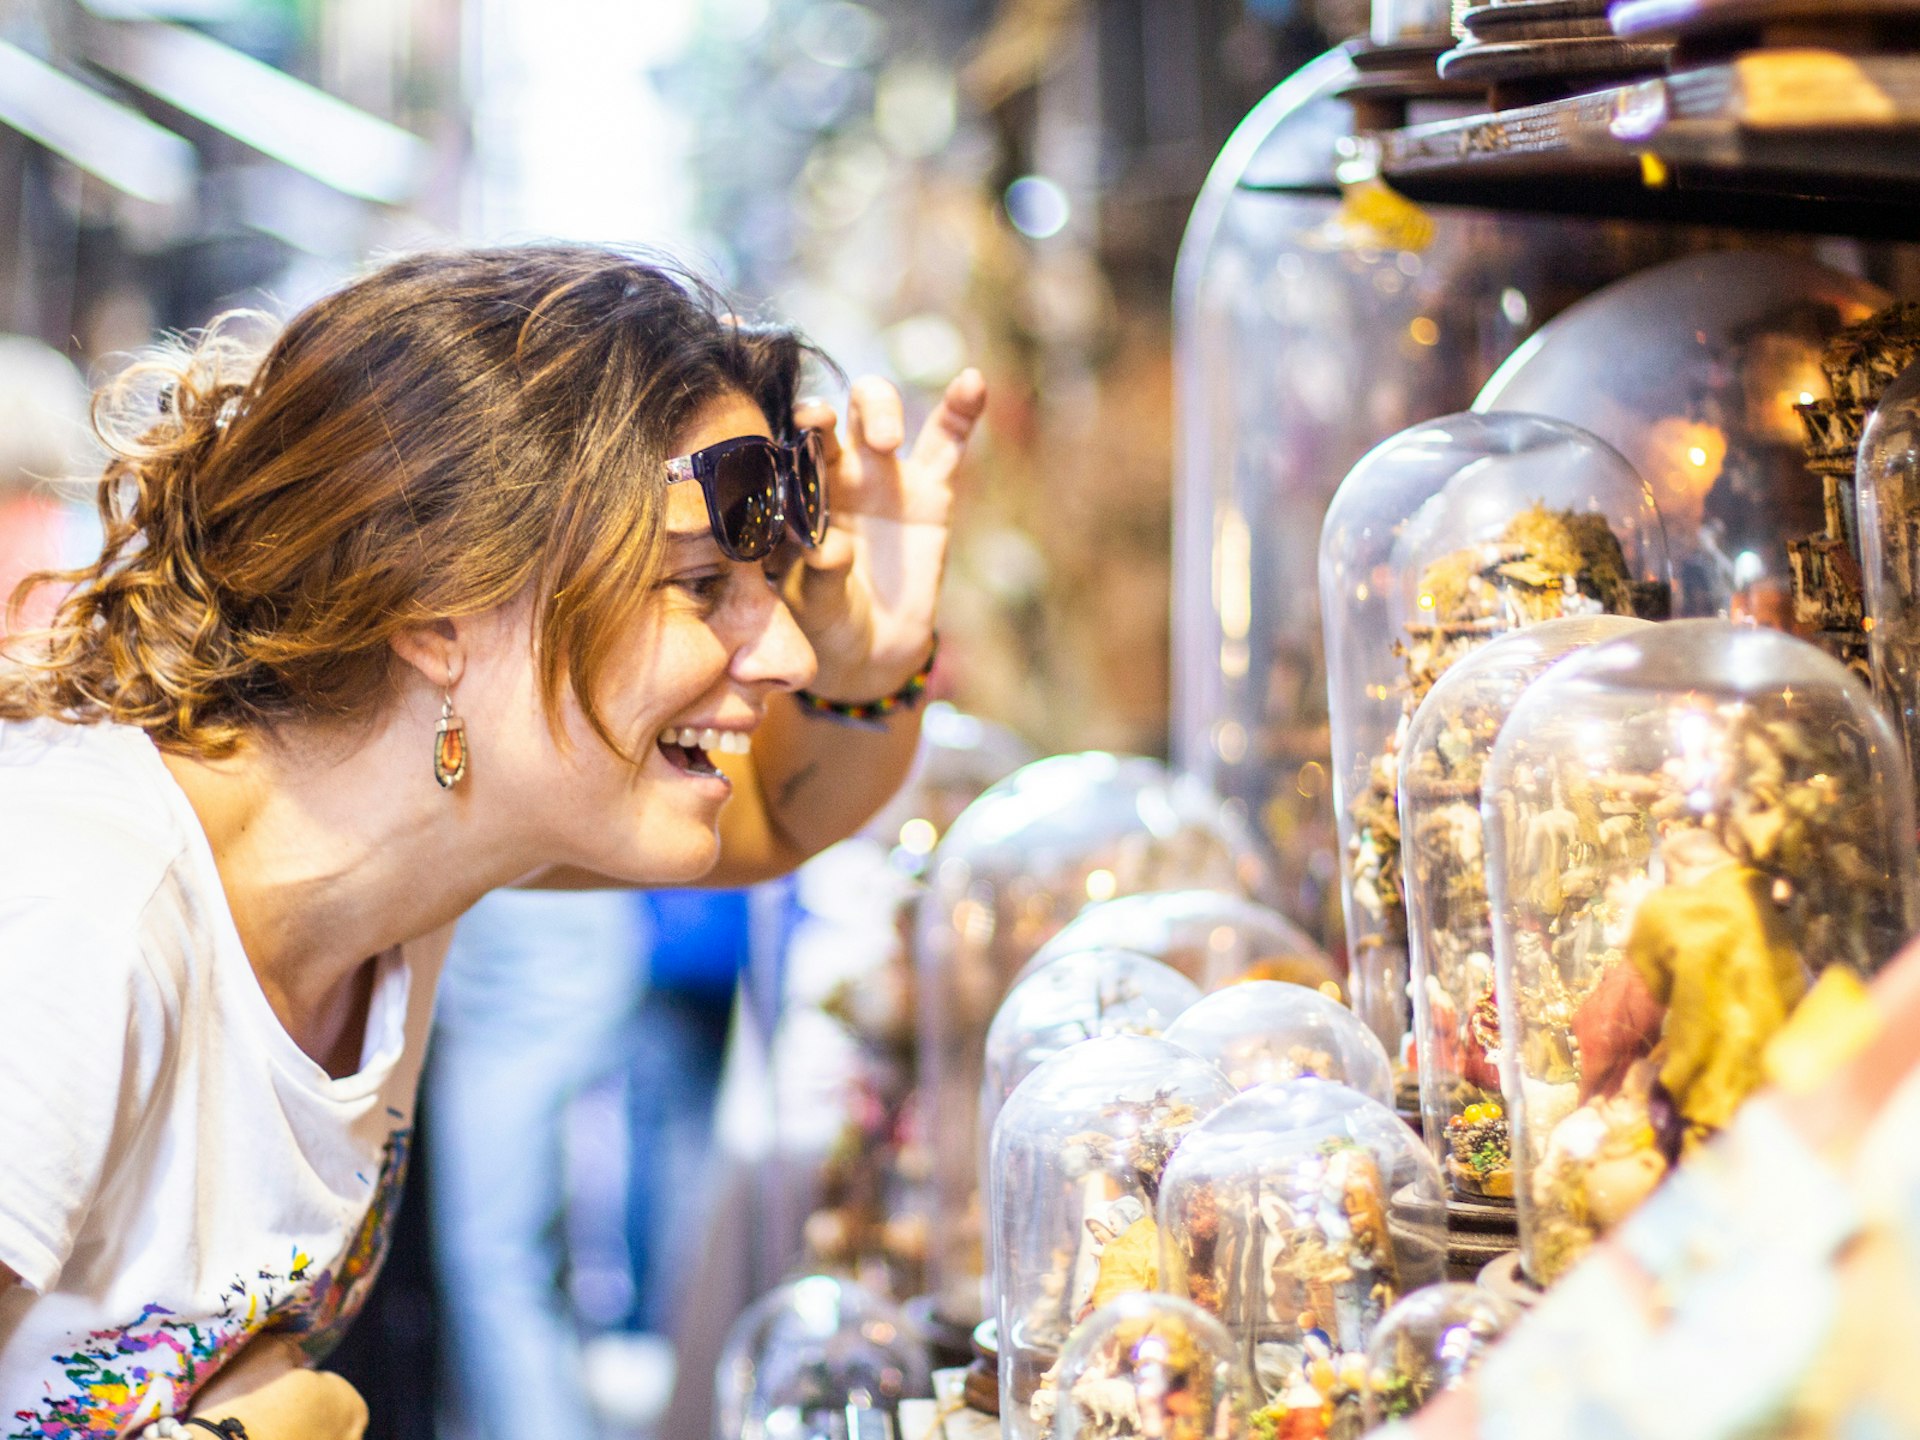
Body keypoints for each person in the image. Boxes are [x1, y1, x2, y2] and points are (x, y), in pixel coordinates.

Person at [0, 243, 986, 1439]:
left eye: (766, 584)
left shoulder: (409, 853)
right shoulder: (74, 919)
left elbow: (777, 816)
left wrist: (870, 670)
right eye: (696, 584)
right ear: (434, 605)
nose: (781, 651)